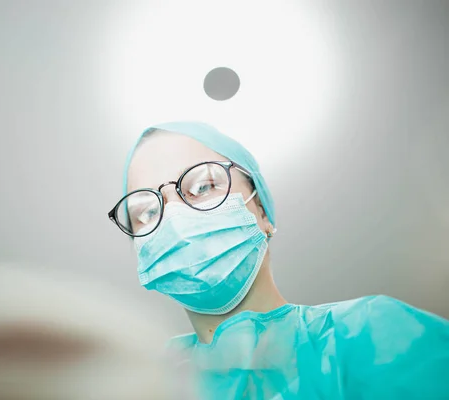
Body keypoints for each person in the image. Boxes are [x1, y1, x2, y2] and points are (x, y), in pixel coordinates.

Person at [108, 121, 449, 399]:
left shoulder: (368, 335)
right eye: (148, 212)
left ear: (262, 212)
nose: (175, 220)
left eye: (203, 186)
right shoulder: (143, 383)